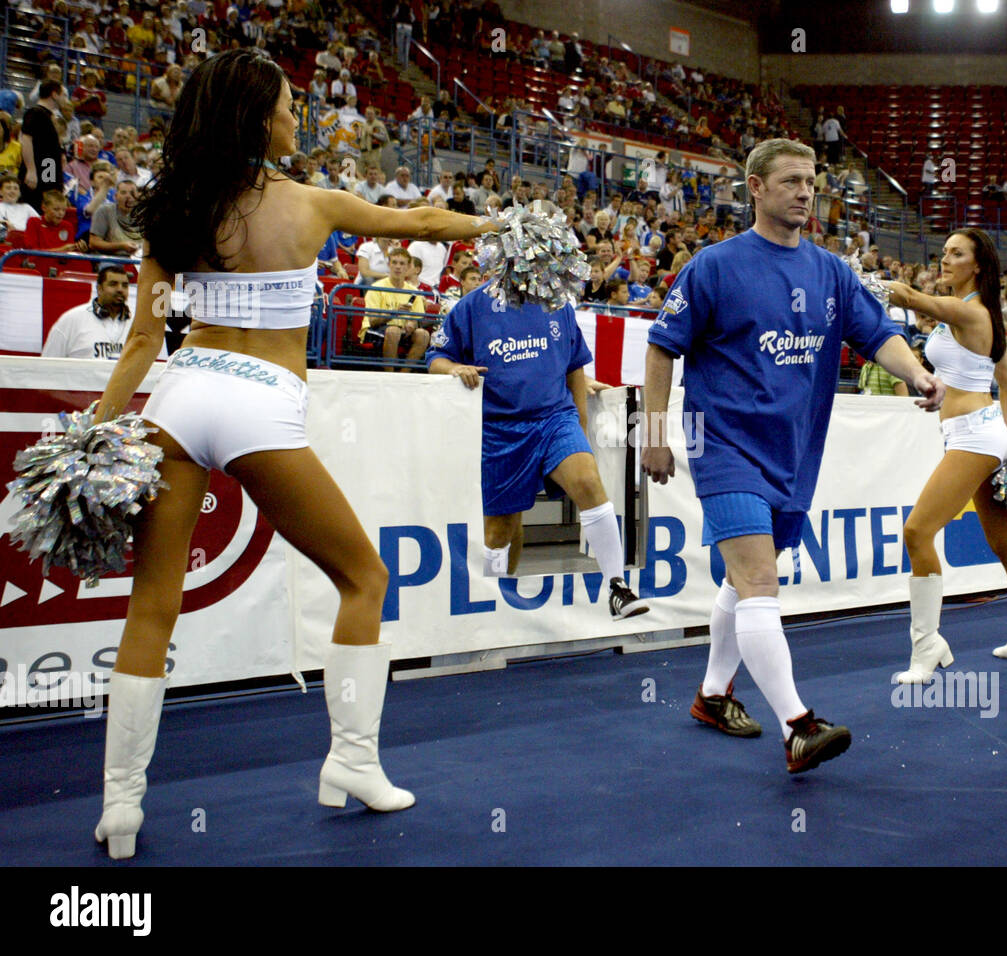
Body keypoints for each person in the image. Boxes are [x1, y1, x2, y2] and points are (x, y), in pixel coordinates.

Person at [85, 50, 500, 861]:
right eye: (285, 106)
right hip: (257, 405)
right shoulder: (310, 203)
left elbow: (142, 340)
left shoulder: (173, 210)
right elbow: (416, 226)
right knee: (364, 577)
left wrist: (97, 430)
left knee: (150, 607)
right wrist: (502, 227)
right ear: (254, 119)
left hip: (178, 395)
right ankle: (352, 761)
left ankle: (121, 809)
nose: (294, 117)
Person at [642, 139, 944, 774]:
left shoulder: (830, 270)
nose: (806, 192)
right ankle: (797, 725)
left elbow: (878, 333)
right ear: (755, 187)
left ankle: (712, 696)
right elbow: (663, 347)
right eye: (791, 182)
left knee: (741, 579)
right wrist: (654, 432)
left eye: (811, 182)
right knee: (759, 581)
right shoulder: (714, 266)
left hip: (791, 453)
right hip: (720, 443)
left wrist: (916, 374)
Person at [428, 273, 650, 619]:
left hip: (554, 418)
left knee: (588, 482)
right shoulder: (472, 306)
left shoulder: (555, 301)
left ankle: (617, 587)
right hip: (499, 428)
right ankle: (495, 605)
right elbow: (435, 358)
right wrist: (455, 368)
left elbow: (575, 364)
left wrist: (578, 420)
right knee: (501, 528)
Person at [885, 228, 1007, 683]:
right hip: (979, 434)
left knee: (917, 531)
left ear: (977, 266)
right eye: (944, 251)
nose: (945, 258)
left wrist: (873, 284)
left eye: (957, 253)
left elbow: (915, 298)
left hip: (975, 436)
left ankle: (927, 648)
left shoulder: (971, 311)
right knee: (1003, 543)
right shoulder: (972, 315)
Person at [42, 264, 166, 361]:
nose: (120, 289)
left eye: (125, 285)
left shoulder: (138, 323)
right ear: (99, 289)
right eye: (113, 284)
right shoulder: (72, 319)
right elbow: (47, 366)